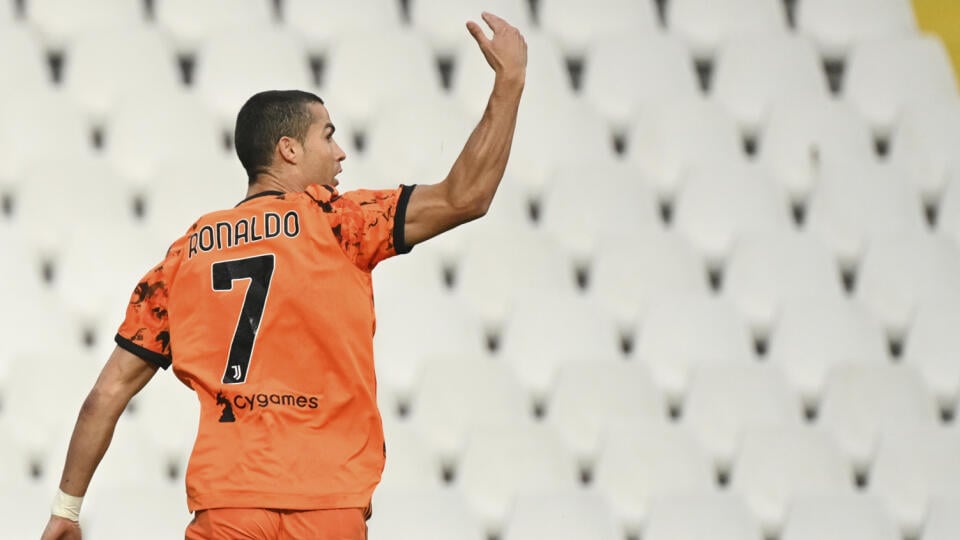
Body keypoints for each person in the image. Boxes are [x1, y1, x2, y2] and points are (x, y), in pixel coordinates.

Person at [40, 12, 526, 540]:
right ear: (288, 149)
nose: (341, 152)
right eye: (328, 136)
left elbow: (106, 393)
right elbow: (466, 196)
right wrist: (510, 81)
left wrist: (66, 509)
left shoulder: (184, 257)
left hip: (228, 506)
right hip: (327, 506)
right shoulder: (340, 221)